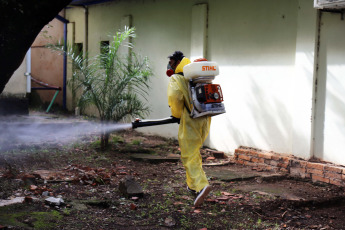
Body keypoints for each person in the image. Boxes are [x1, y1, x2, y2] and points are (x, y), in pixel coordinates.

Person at [166, 51, 212, 207]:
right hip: (205, 118)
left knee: (188, 155)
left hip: (191, 120)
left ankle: (201, 185)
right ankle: (192, 185)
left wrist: (177, 115)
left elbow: (176, 98)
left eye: (172, 62)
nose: (170, 65)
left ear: (178, 61)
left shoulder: (177, 78)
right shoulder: (195, 75)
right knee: (193, 153)